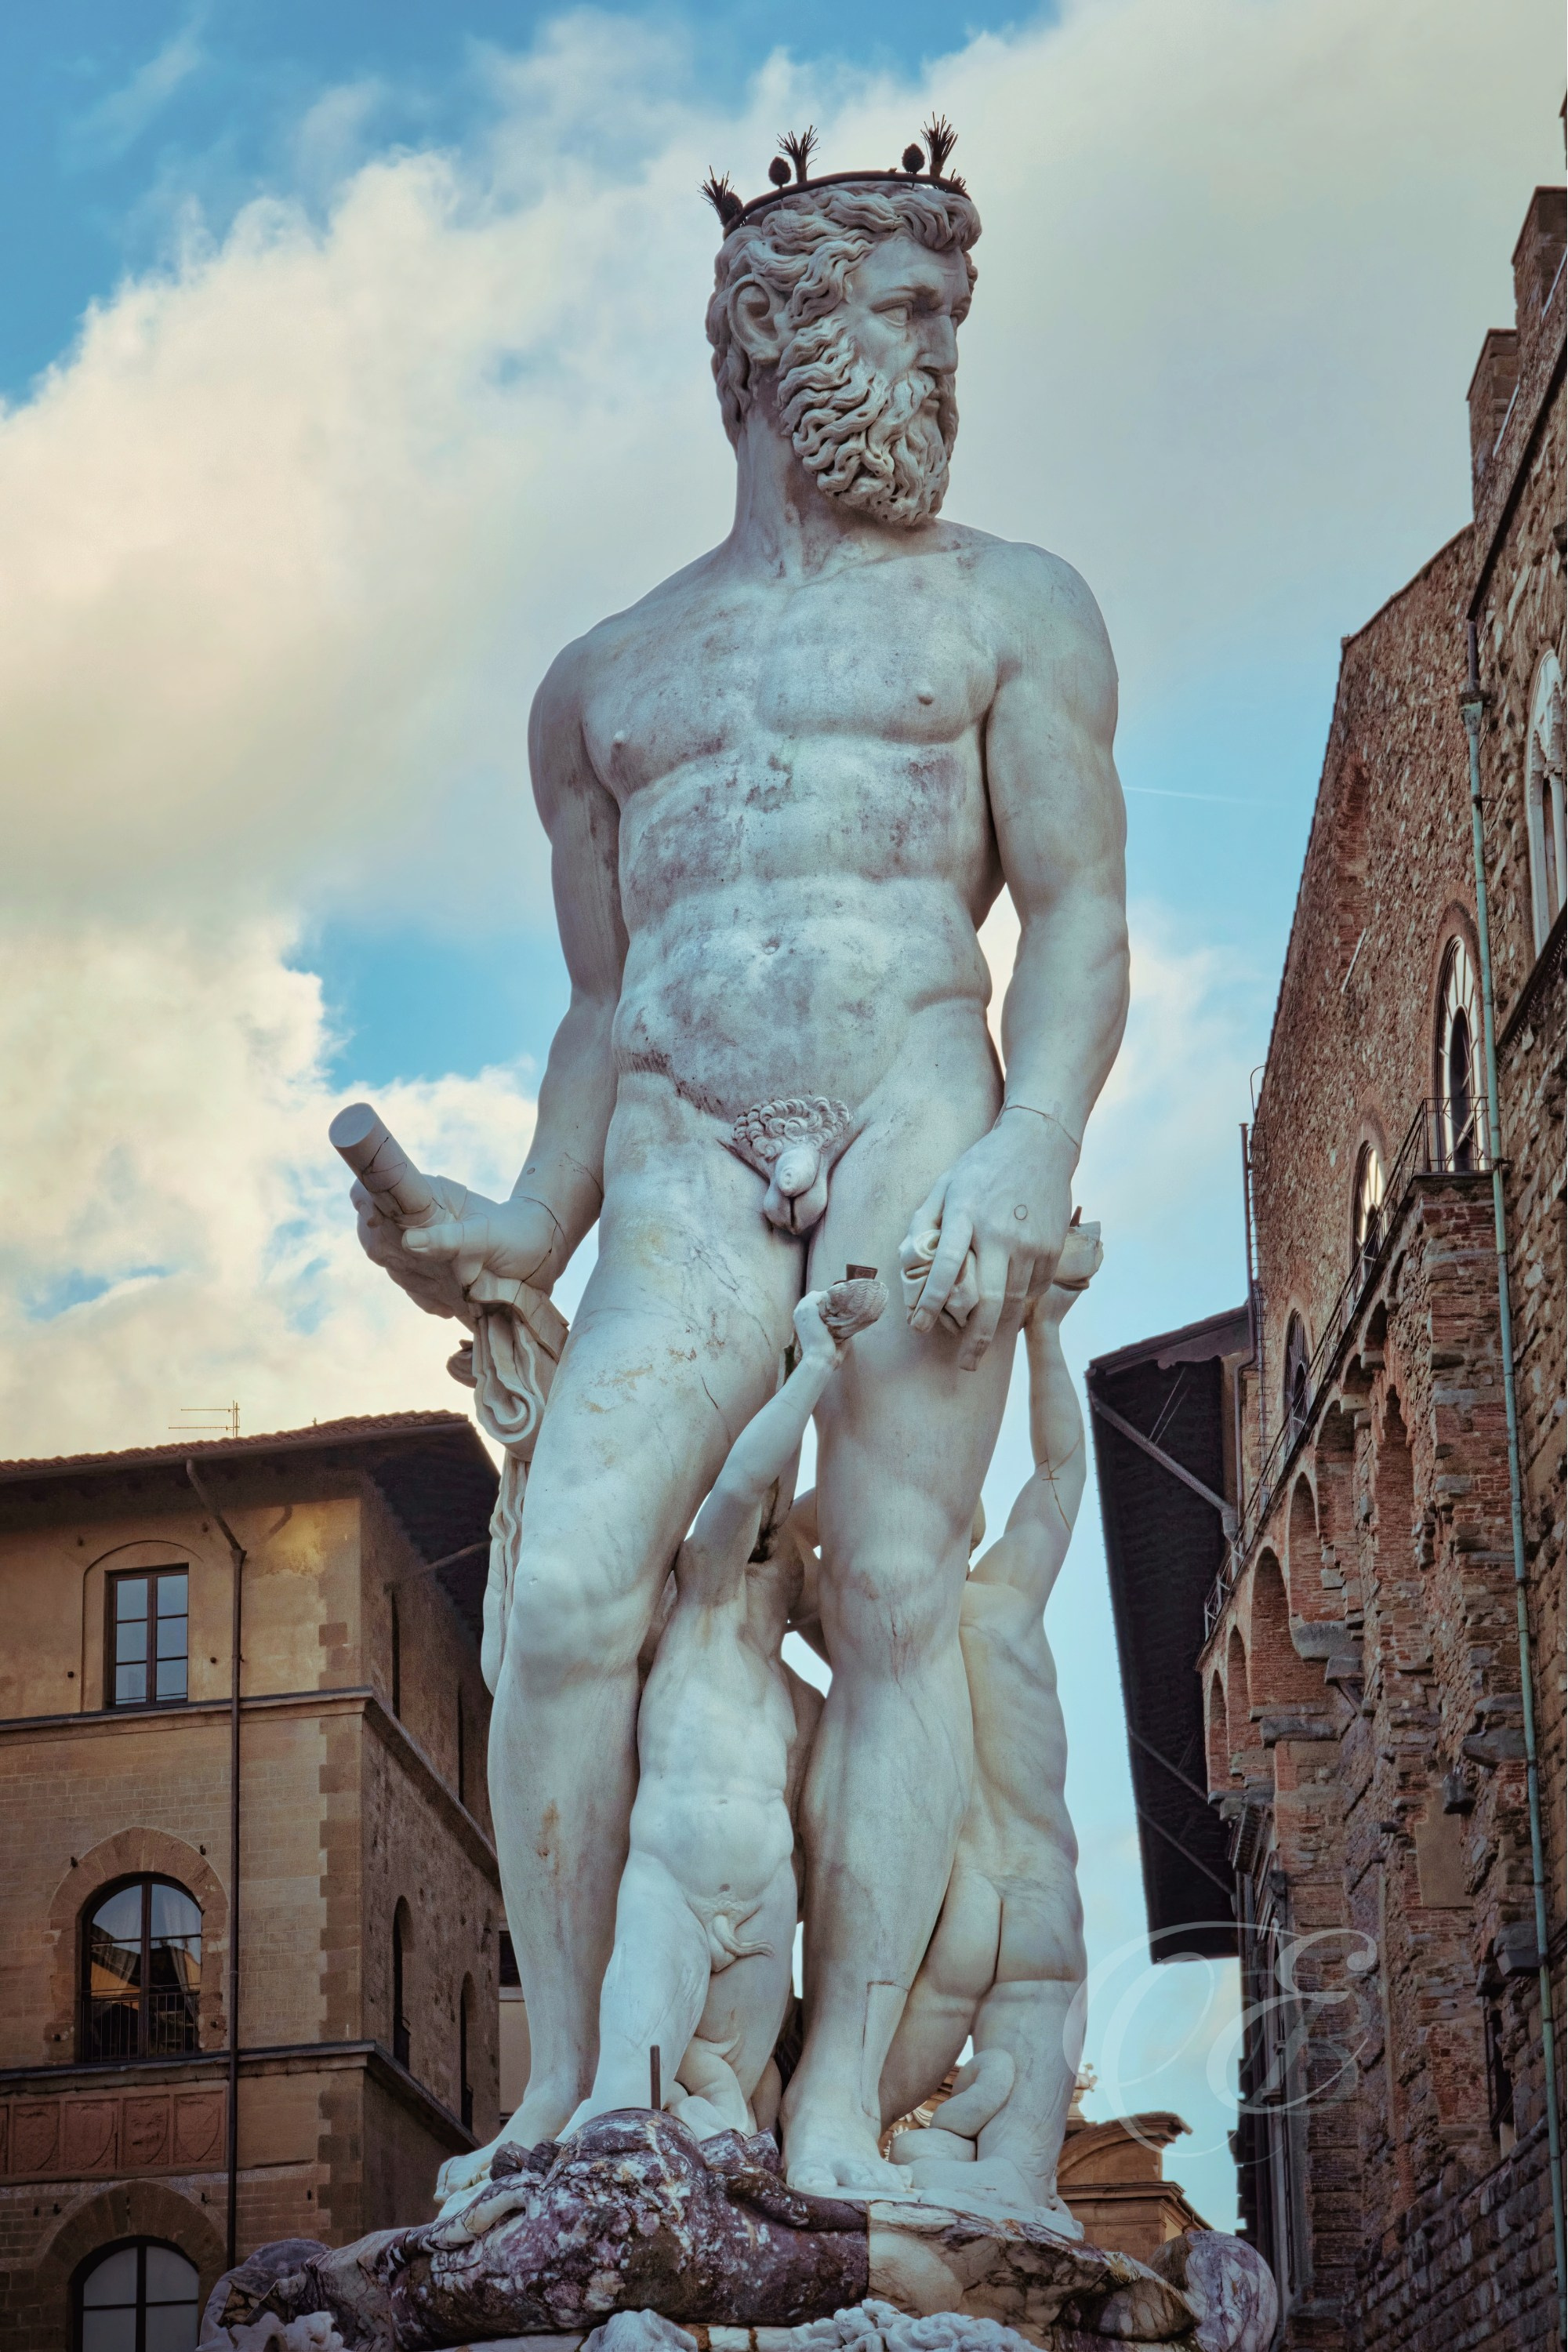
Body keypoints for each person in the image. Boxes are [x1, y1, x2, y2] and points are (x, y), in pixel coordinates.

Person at [350, 148, 1127, 2198]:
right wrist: (520, 1224)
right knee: (579, 1585)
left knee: (886, 1585)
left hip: (916, 1106)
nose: (947, 360)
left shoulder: (1011, 606)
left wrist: (1036, 1146)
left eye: (956, 322)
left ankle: (841, 2110)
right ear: (781, 329)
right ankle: (573, 2100)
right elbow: (607, 1008)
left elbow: (1077, 916)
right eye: (909, 314)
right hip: (689, 1143)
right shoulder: (605, 683)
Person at [565, 1283, 878, 2144]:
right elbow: (741, 1488)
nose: (772, 1558)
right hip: (671, 1891)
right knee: (627, 2098)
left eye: (787, 1558)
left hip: (767, 1912)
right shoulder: (697, 1614)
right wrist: (814, 1360)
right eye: (764, 1551)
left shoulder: (802, 1704)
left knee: (746, 2121)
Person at [878, 1220, 1102, 2225]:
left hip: (955, 1902)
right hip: (1041, 1890)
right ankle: (994, 2169)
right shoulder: (1003, 1597)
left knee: (837, 2123)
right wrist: (1044, 1324)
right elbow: (1058, 1474)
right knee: (1023, 2177)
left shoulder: (882, 1629)